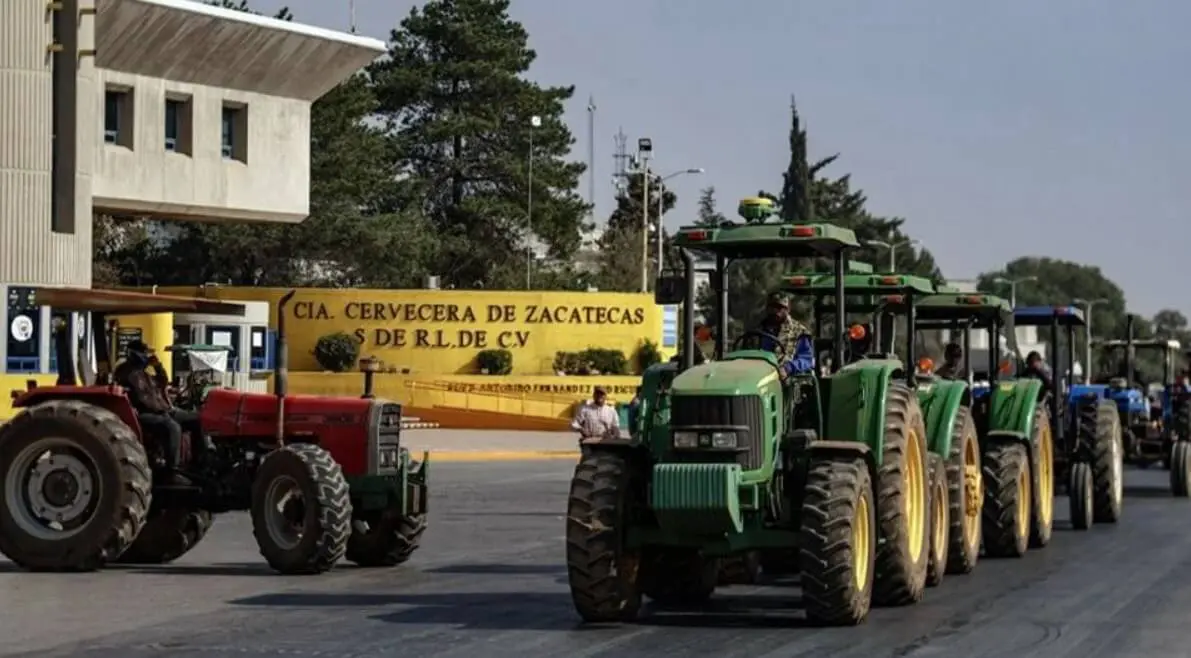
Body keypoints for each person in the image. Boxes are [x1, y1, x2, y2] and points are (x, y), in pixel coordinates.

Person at [114, 340, 200, 483]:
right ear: (134, 354)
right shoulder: (126, 372)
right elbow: (143, 398)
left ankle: (199, 463)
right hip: (144, 414)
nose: (147, 356)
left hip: (163, 410)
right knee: (173, 428)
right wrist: (163, 411)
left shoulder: (144, 372)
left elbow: (162, 381)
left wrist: (157, 366)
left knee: (197, 419)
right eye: (145, 353)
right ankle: (172, 471)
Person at [753, 292, 815, 381]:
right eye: (773, 307)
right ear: (767, 308)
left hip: (788, 379)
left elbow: (807, 360)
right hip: (759, 377)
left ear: (788, 309)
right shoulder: (757, 331)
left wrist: (788, 368)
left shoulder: (799, 332)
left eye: (780, 308)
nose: (776, 311)